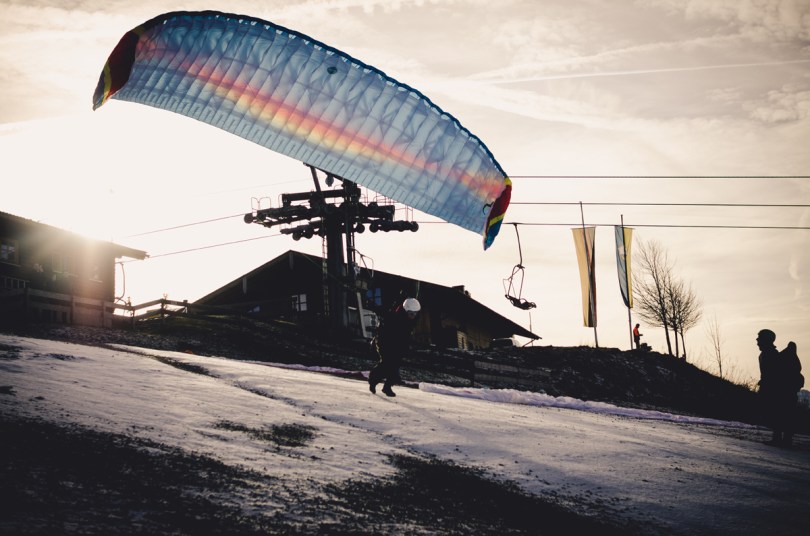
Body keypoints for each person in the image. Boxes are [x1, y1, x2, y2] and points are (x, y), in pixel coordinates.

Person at [757, 329, 802, 447]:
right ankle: (780, 438)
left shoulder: (771, 355)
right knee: (777, 413)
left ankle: (784, 440)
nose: (757, 340)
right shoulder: (766, 354)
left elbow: (774, 375)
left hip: (779, 391)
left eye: (759, 338)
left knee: (780, 413)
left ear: (766, 340)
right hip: (774, 390)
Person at [368, 297, 421, 397]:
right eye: (411, 313)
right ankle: (373, 381)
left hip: (398, 344)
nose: (413, 316)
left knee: (395, 366)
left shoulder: (411, 321)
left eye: (415, 314)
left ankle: (387, 387)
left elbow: (405, 335)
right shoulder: (394, 317)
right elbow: (383, 327)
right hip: (385, 342)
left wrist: (405, 347)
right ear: (405, 311)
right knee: (386, 364)